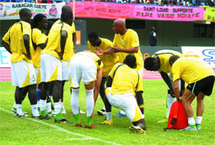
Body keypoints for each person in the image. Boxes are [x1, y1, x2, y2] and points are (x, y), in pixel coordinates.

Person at [96, 19, 144, 117]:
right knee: (124, 89)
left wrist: (120, 49)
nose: (113, 28)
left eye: (115, 26)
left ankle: (140, 114)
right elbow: (114, 48)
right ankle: (124, 111)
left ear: (121, 26)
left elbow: (135, 49)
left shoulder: (132, 33)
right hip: (124, 67)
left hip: (136, 66)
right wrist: (104, 52)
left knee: (136, 91)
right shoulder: (117, 35)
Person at [1, 8, 39, 117]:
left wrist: (13, 52)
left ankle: (18, 110)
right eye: (30, 16)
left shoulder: (13, 26)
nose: (31, 19)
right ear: (25, 16)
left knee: (19, 86)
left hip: (15, 59)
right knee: (32, 85)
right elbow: (26, 37)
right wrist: (27, 52)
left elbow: (4, 41)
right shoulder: (25, 25)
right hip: (24, 60)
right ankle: (35, 111)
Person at [39, 11, 73, 123]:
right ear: (69, 18)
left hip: (44, 54)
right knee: (57, 84)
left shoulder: (55, 25)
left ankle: (42, 113)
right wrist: (61, 51)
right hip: (52, 56)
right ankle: (58, 116)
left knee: (45, 84)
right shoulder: (66, 26)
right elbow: (63, 34)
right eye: (71, 19)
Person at [169, 56, 214, 131]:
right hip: (211, 75)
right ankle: (198, 124)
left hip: (199, 77)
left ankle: (192, 125)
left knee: (184, 99)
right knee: (200, 99)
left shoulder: (176, 64)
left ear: (171, 63)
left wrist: (178, 98)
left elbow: (176, 86)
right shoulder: (187, 60)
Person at [104, 55, 146, 134]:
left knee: (107, 89)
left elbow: (108, 81)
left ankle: (108, 119)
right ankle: (138, 126)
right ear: (134, 64)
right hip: (128, 102)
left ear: (124, 61)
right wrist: (142, 115)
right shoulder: (137, 74)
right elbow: (139, 96)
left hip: (112, 98)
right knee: (141, 123)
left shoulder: (117, 66)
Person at [144, 49, 185, 123]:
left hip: (182, 69)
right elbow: (163, 74)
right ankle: (169, 116)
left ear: (155, 63)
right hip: (172, 69)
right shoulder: (154, 60)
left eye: (153, 69)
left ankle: (182, 116)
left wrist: (182, 88)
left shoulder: (169, 59)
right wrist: (171, 88)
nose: (154, 71)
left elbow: (181, 73)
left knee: (180, 93)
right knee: (171, 93)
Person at [51, 5, 76, 114]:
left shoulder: (70, 24)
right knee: (59, 83)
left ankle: (66, 105)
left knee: (68, 83)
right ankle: (58, 105)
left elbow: (73, 35)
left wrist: (74, 46)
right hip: (61, 58)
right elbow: (63, 35)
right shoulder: (58, 25)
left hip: (69, 57)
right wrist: (61, 51)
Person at [69, 52, 103, 128]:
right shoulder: (100, 63)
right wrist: (93, 106)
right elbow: (97, 86)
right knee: (89, 93)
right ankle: (88, 123)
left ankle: (77, 122)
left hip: (73, 60)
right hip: (88, 63)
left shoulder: (82, 53)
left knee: (74, 92)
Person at [88, 32, 119, 116]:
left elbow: (116, 56)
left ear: (98, 38)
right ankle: (105, 107)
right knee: (100, 87)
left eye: (93, 41)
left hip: (111, 68)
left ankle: (118, 109)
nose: (92, 44)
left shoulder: (108, 43)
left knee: (110, 88)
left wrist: (105, 52)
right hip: (101, 68)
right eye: (91, 42)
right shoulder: (90, 43)